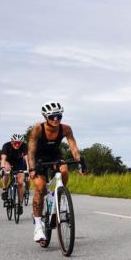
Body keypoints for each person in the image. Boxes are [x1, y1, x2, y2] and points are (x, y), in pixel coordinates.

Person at [27, 103, 86, 245]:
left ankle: (57, 193)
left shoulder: (66, 129)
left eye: (59, 116)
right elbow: (31, 151)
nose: (56, 119)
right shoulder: (37, 129)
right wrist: (32, 168)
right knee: (40, 187)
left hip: (55, 156)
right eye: (52, 116)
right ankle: (38, 226)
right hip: (39, 158)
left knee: (64, 170)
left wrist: (80, 163)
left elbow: (74, 148)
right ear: (45, 117)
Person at [0, 134, 28, 205]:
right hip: (8, 161)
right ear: (12, 142)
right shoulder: (6, 146)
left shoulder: (24, 146)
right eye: (15, 143)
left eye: (19, 143)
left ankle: (20, 203)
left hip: (18, 162)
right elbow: (3, 158)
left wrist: (28, 168)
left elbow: (26, 158)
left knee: (21, 183)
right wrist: (2, 168)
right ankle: (4, 189)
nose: (17, 145)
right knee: (7, 171)